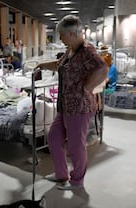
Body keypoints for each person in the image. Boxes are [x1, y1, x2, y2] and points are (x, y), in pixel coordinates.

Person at [37, 15, 108, 190]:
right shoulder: (71, 50)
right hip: (65, 106)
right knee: (53, 137)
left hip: (79, 108)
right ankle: (61, 174)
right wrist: (42, 65)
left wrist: (87, 88)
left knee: (76, 147)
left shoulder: (86, 50)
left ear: (70, 33)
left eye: (61, 35)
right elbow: (59, 64)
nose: (60, 38)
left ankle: (77, 181)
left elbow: (103, 69)